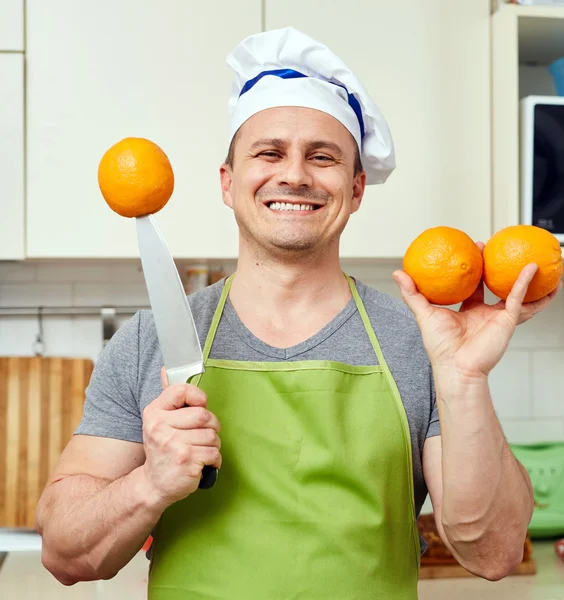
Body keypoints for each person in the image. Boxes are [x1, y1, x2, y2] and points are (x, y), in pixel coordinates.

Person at [35, 27, 560, 599]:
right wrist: (150, 485)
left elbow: (495, 553)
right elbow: (65, 554)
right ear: (228, 182)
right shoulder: (147, 341)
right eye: (269, 152)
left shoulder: (419, 343)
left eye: (323, 157)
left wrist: (463, 379)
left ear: (356, 188)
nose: (295, 175)